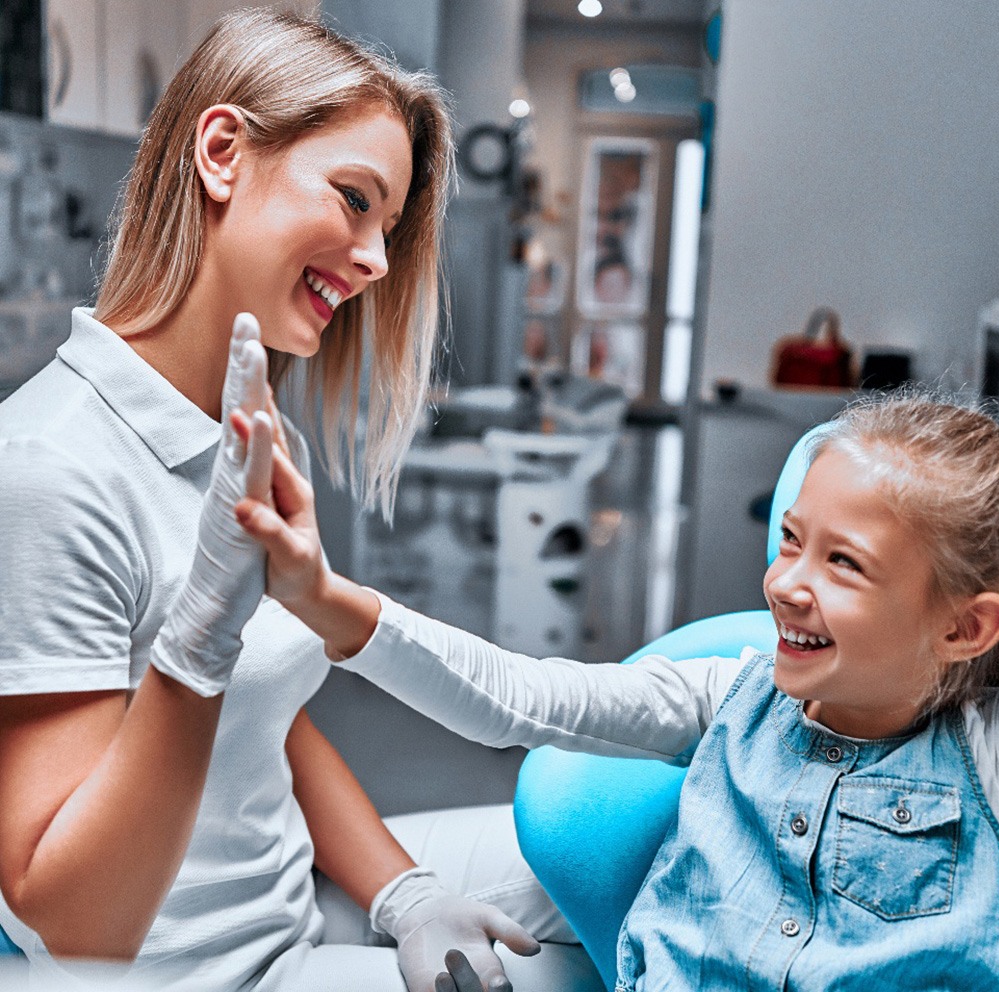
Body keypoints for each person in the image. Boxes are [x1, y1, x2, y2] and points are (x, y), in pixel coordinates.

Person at [0, 10, 576, 992]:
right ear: (222, 151)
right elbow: (79, 923)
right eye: (355, 199)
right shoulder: (49, 468)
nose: (377, 261)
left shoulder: (250, 423)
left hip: (297, 907)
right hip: (196, 975)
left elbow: (270, 717)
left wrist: (405, 893)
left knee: (654, 861)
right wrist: (196, 645)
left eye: (387, 228)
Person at [232, 392, 999, 991]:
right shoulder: (732, 701)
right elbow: (522, 696)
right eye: (791, 541)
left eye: (844, 564)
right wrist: (324, 598)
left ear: (967, 628)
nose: (786, 584)